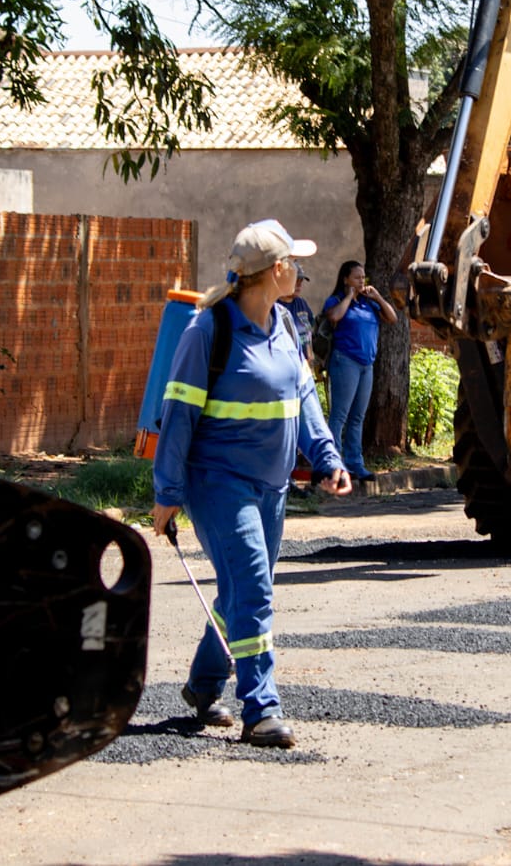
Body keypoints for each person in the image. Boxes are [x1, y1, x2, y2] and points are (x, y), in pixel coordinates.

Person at [151, 219, 353, 750]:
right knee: (254, 589)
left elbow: (304, 400)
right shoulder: (207, 331)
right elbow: (177, 418)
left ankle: (201, 687)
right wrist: (167, 494)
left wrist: (327, 457)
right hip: (219, 484)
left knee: (238, 589)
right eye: (295, 261)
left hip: (272, 486)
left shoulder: (285, 325)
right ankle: (260, 708)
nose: (301, 270)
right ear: (276, 270)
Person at [322, 260, 398, 483]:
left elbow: (392, 318)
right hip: (345, 361)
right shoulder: (336, 300)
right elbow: (334, 317)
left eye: (363, 277)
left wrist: (378, 298)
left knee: (358, 417)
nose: (361, 281)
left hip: (367, 365)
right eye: (356, 277)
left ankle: (355, 463)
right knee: (340, 415)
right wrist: (349, 296)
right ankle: (333, 464)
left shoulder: (369, 304)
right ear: (346, 279)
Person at [282, 263, 314, 364]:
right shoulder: (274, 307)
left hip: (305, 365)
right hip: (287, 364)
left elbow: (311, 327)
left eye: (301, 281)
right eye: (296, 280)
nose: (299, 285)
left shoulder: (301, 303)